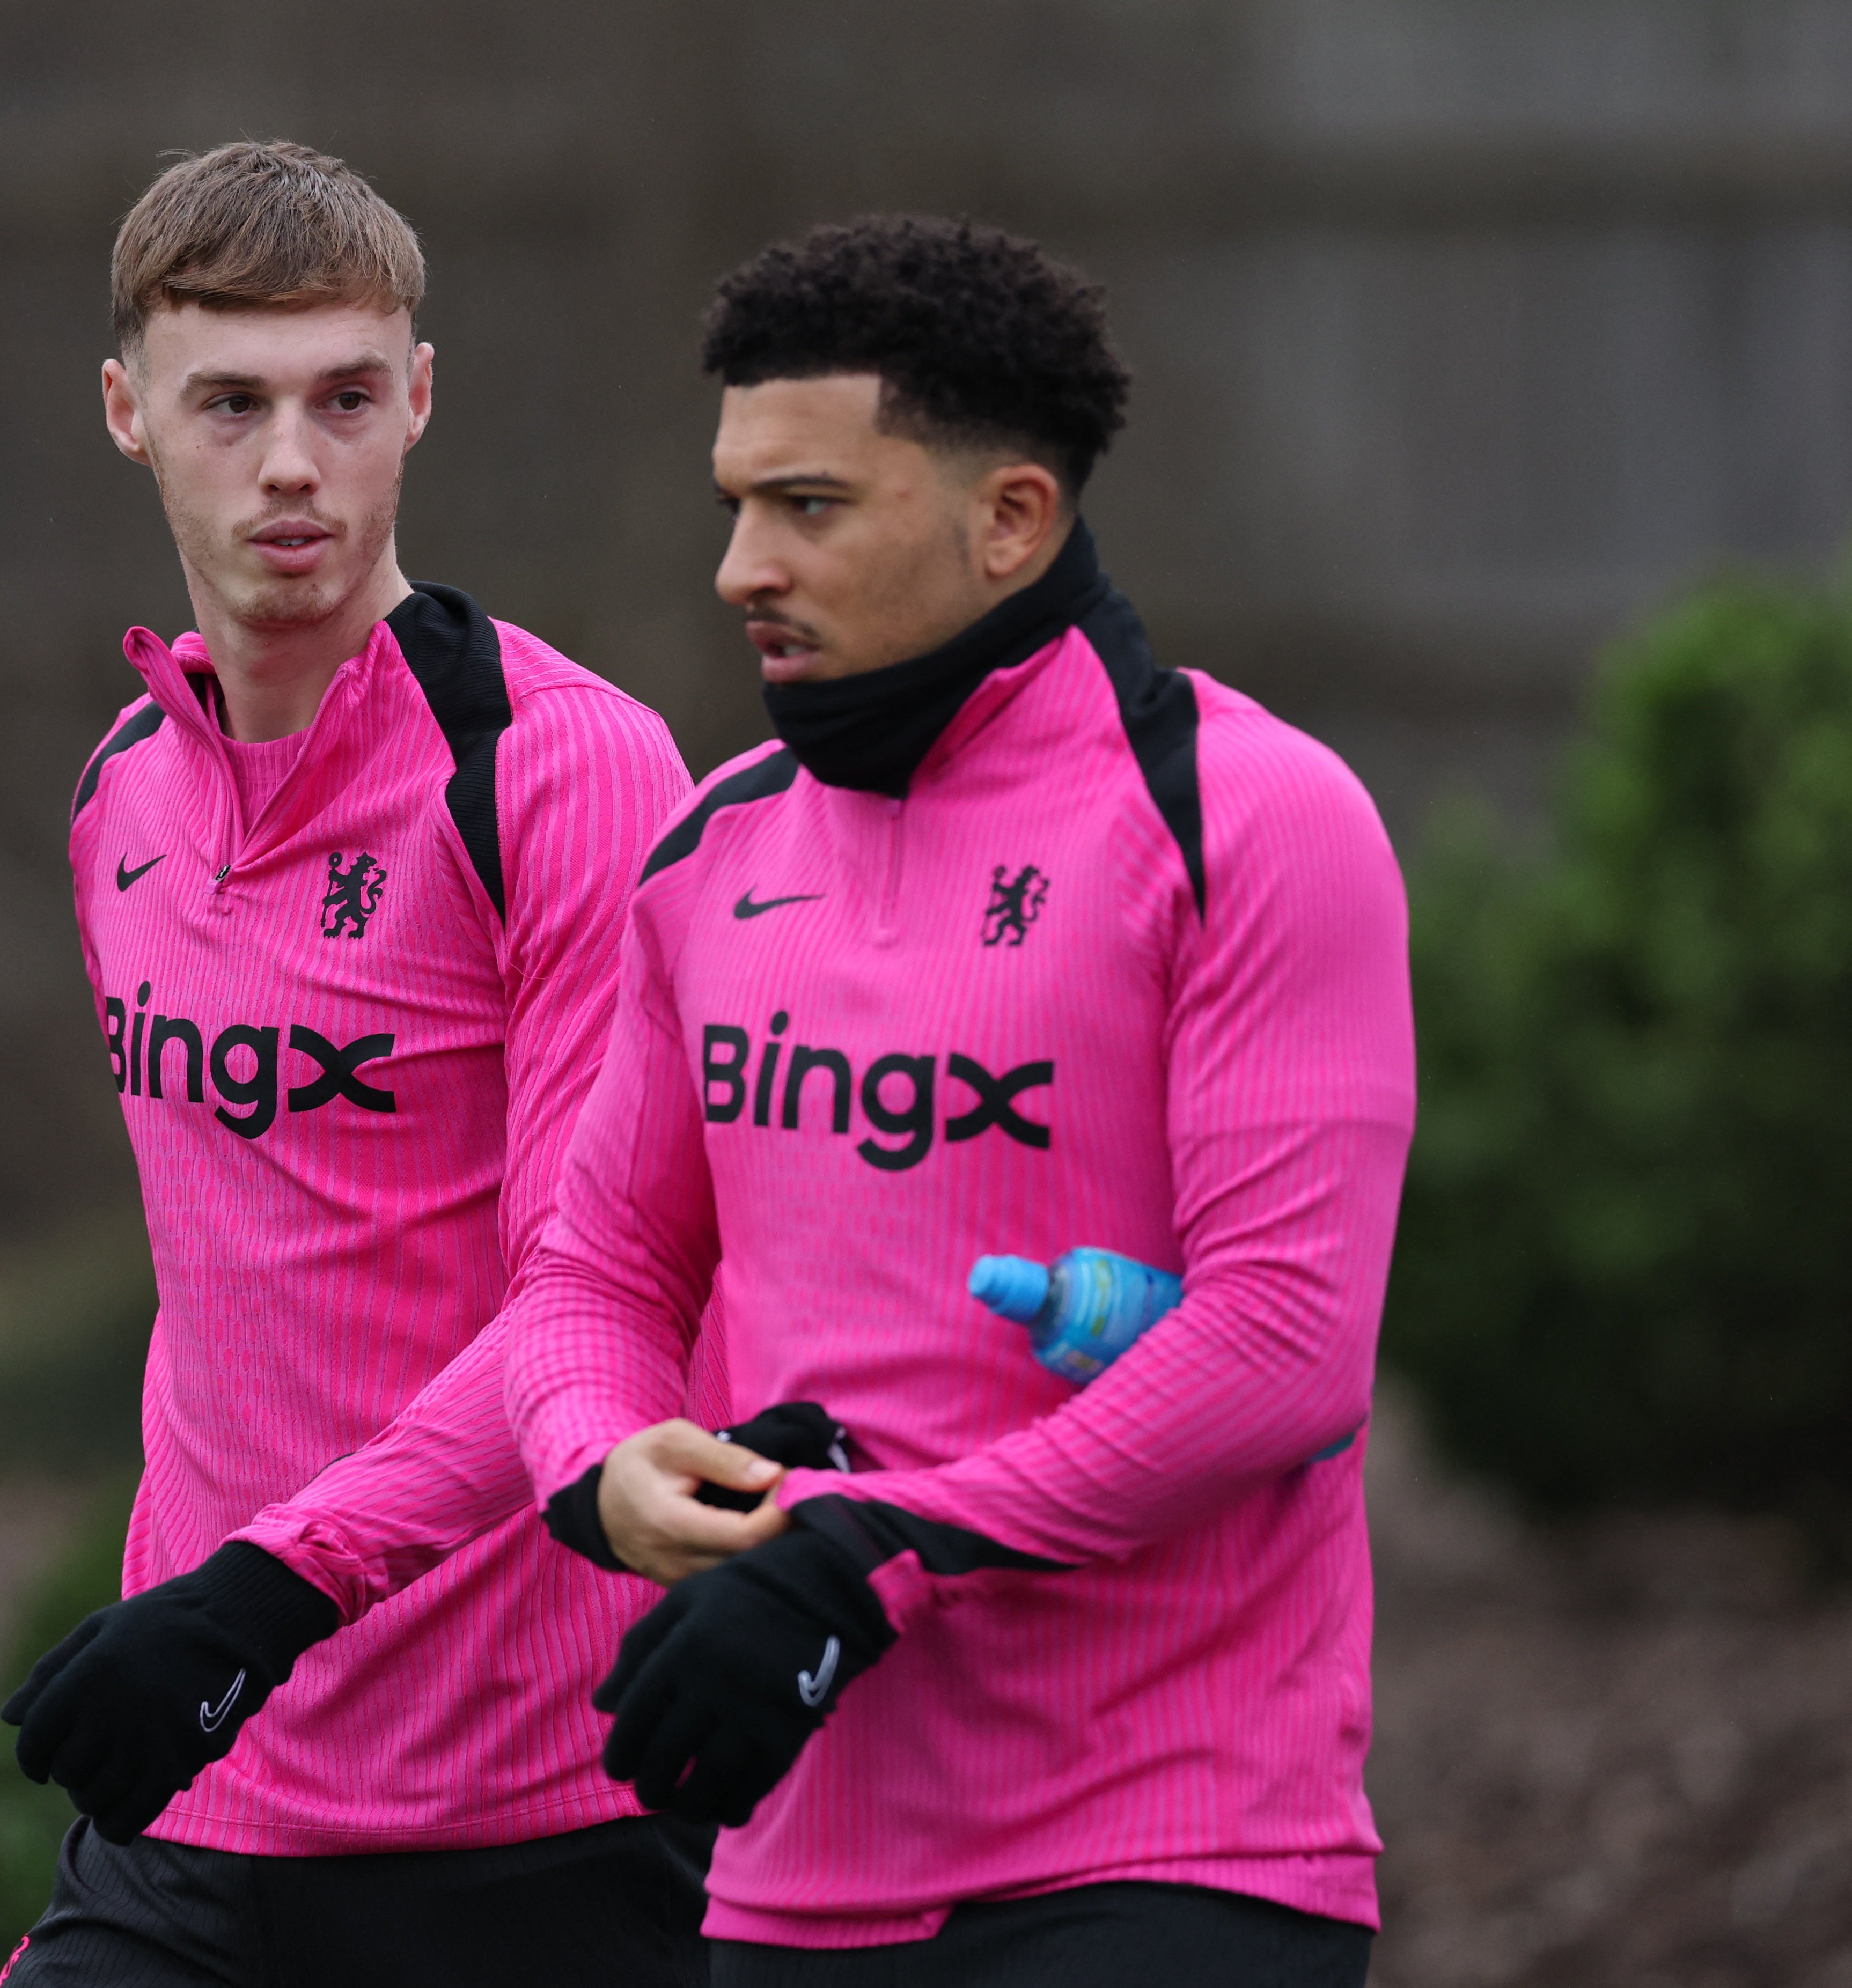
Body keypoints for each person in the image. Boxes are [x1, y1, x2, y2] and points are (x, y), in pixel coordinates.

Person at [502, 216, 1416, 1986]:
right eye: (736, 507)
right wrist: (602, 1460)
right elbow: (591, 1272)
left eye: (813, 507)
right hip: (792, 1868)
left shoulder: (1254, 817)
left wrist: (875, 1553)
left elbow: (1287, 1342)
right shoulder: (714, 841)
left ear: (1012, 517)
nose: (741, 568)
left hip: (1174, 1848)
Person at [0, 139, 722, 1988]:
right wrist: (200, 1617)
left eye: (343, 397)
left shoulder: (564, 767)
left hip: (527, 1808)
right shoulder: (115, 796)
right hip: (199, 1777)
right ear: (126, 413)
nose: (295, 464)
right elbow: (233, 1284)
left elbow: (592, 1305)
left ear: (421, 397)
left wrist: (269, 1586)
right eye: (229, 402)